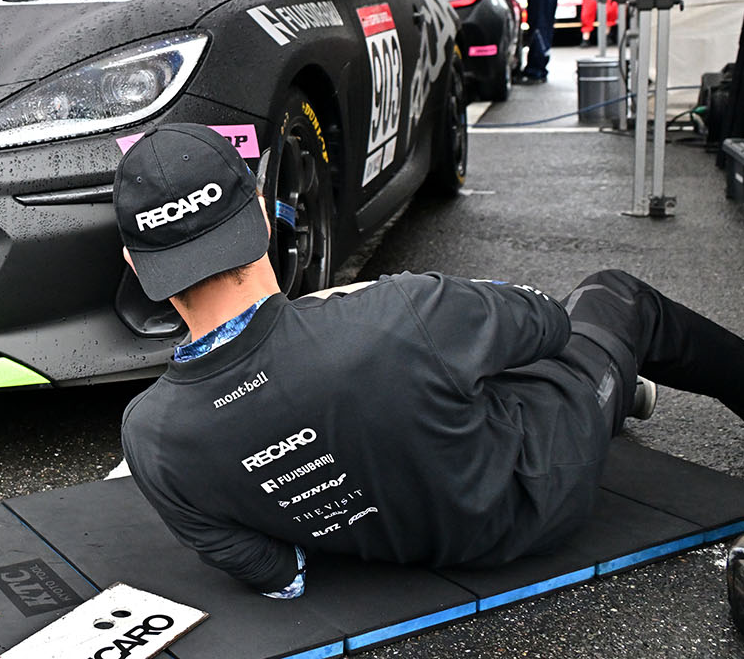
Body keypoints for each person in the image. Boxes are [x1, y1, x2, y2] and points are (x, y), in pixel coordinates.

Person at [113, 123, 744, 598]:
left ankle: (621, 385)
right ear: (261, 215)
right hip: (542, 488)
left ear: (137, 265)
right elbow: (549, 324)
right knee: (613, 296)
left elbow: (280, 575)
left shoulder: (149, 436)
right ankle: (621, 381)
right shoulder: (394, 311)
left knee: (443, 364)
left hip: (404, 543)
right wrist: (391, 308)